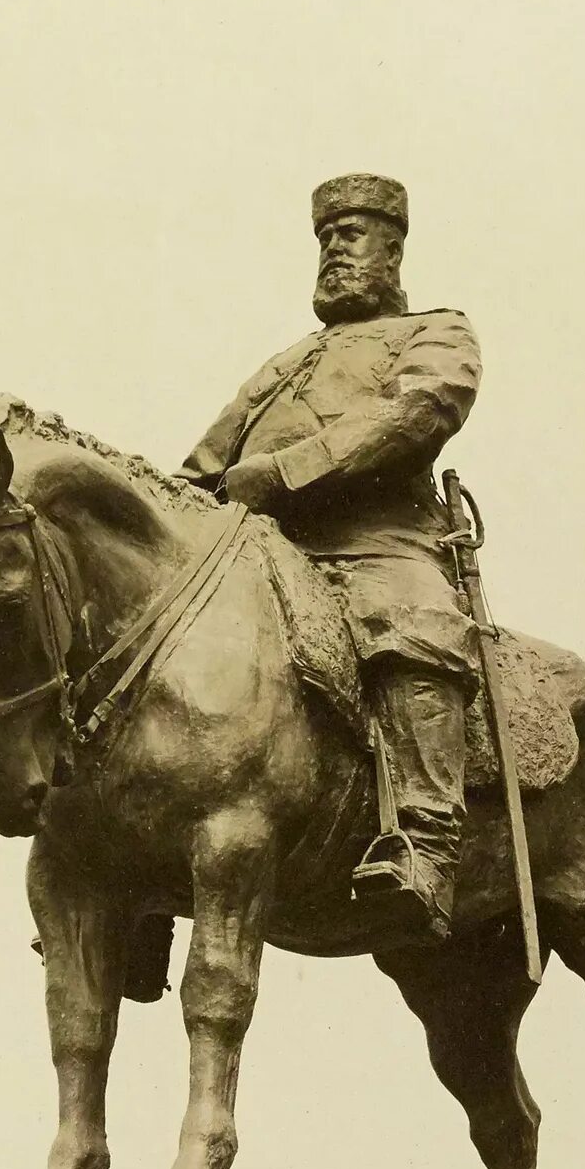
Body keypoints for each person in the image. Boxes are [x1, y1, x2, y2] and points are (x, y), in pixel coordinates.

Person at [186, 175, 481, 939]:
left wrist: (284, 471)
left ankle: (425, 842)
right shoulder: (282, 365)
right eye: (325, 239)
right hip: (260, 552)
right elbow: (201, 464)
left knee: (412, 623)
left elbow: (416, 413)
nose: (332, 252)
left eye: (349, 237)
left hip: (378, 543)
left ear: (393, 246)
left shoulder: (436, 331)